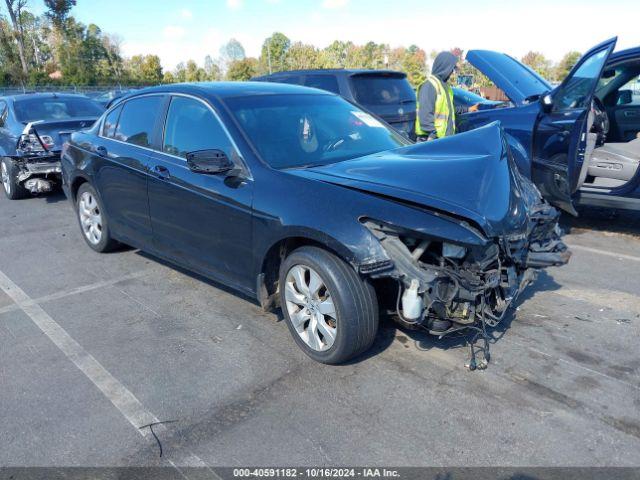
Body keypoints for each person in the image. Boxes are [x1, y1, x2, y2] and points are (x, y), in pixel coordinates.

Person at [415, 51, 479, 142]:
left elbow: (450, 109)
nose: (452, 73)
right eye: (451, 69)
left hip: (444, 140)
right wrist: (433, 136)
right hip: (431, 141)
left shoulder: (445, 87)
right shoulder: (430, 85)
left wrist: (468, 109)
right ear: (444, 67)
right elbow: (425, 116)